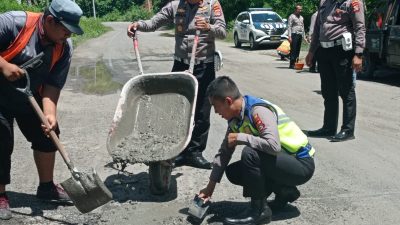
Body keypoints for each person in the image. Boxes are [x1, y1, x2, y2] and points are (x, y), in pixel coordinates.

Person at [0, 0, 84, 220]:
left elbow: (52, 85)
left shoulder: (63, 47)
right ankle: (0, 196)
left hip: (27, 94)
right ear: (49, 21)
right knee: (1, 140)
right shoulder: (13, 24)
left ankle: (46, 188)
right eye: (66, 30)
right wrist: (3, 65)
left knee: (49, 134)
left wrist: (50, 114)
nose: (69, 35)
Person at [197, 76, 315, 225]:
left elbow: (273, 146)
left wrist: (242, 137)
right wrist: (210, 187)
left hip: (301, 164)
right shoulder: (236, 119)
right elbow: (224, 153)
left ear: (228, 101)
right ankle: (284, 191)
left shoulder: (258, 111)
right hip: (283, 163)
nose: (215, 112)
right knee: (234, 172)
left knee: (250, 153)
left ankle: (259, 211)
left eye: (216, 106)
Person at [127, 0, 226, 169]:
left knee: (202, 110)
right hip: (181, 65)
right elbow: (154, 22)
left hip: (204, 65)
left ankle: (194, 153)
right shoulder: (175, 5)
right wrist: (138, 25)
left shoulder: (212, 5)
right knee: (177, 109)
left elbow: (223, 32)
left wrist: (209, 27)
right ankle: (178, 150)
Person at [305, 0, 366, 142]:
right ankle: (328, 127)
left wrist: (358, 53)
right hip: (324, 51)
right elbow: (318, 27)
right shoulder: (324, 2)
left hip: (342, 51)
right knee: (328, 91)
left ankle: (347, 130)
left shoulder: (353, 2)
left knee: (346, 90)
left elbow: (360, 27)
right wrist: (311, 51)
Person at [288, 4, 307, 69]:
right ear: (296, 10)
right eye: (299, 9)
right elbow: (289, 27)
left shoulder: (301, 17)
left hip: (299, 34)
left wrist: (304, 36)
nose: (300, 10)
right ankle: (291, 64)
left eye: (301, 9)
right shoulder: (292, 16)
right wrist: (289, 36)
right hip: (294, 34)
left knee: (298, 50)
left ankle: (296, 63)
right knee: (293, 49)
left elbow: (303, 27)